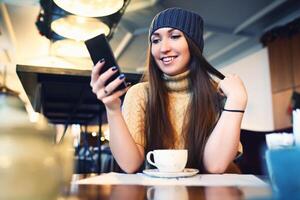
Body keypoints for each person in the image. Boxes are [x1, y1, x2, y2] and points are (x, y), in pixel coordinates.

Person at [90, 7, 247, 173]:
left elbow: (215, 166)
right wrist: (112, 109)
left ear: (193, 45)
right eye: (156, 40)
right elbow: (130, 164)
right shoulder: (140, 94)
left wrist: (237, 100)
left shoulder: (218, 94)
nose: (163, 48)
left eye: (174, 36)